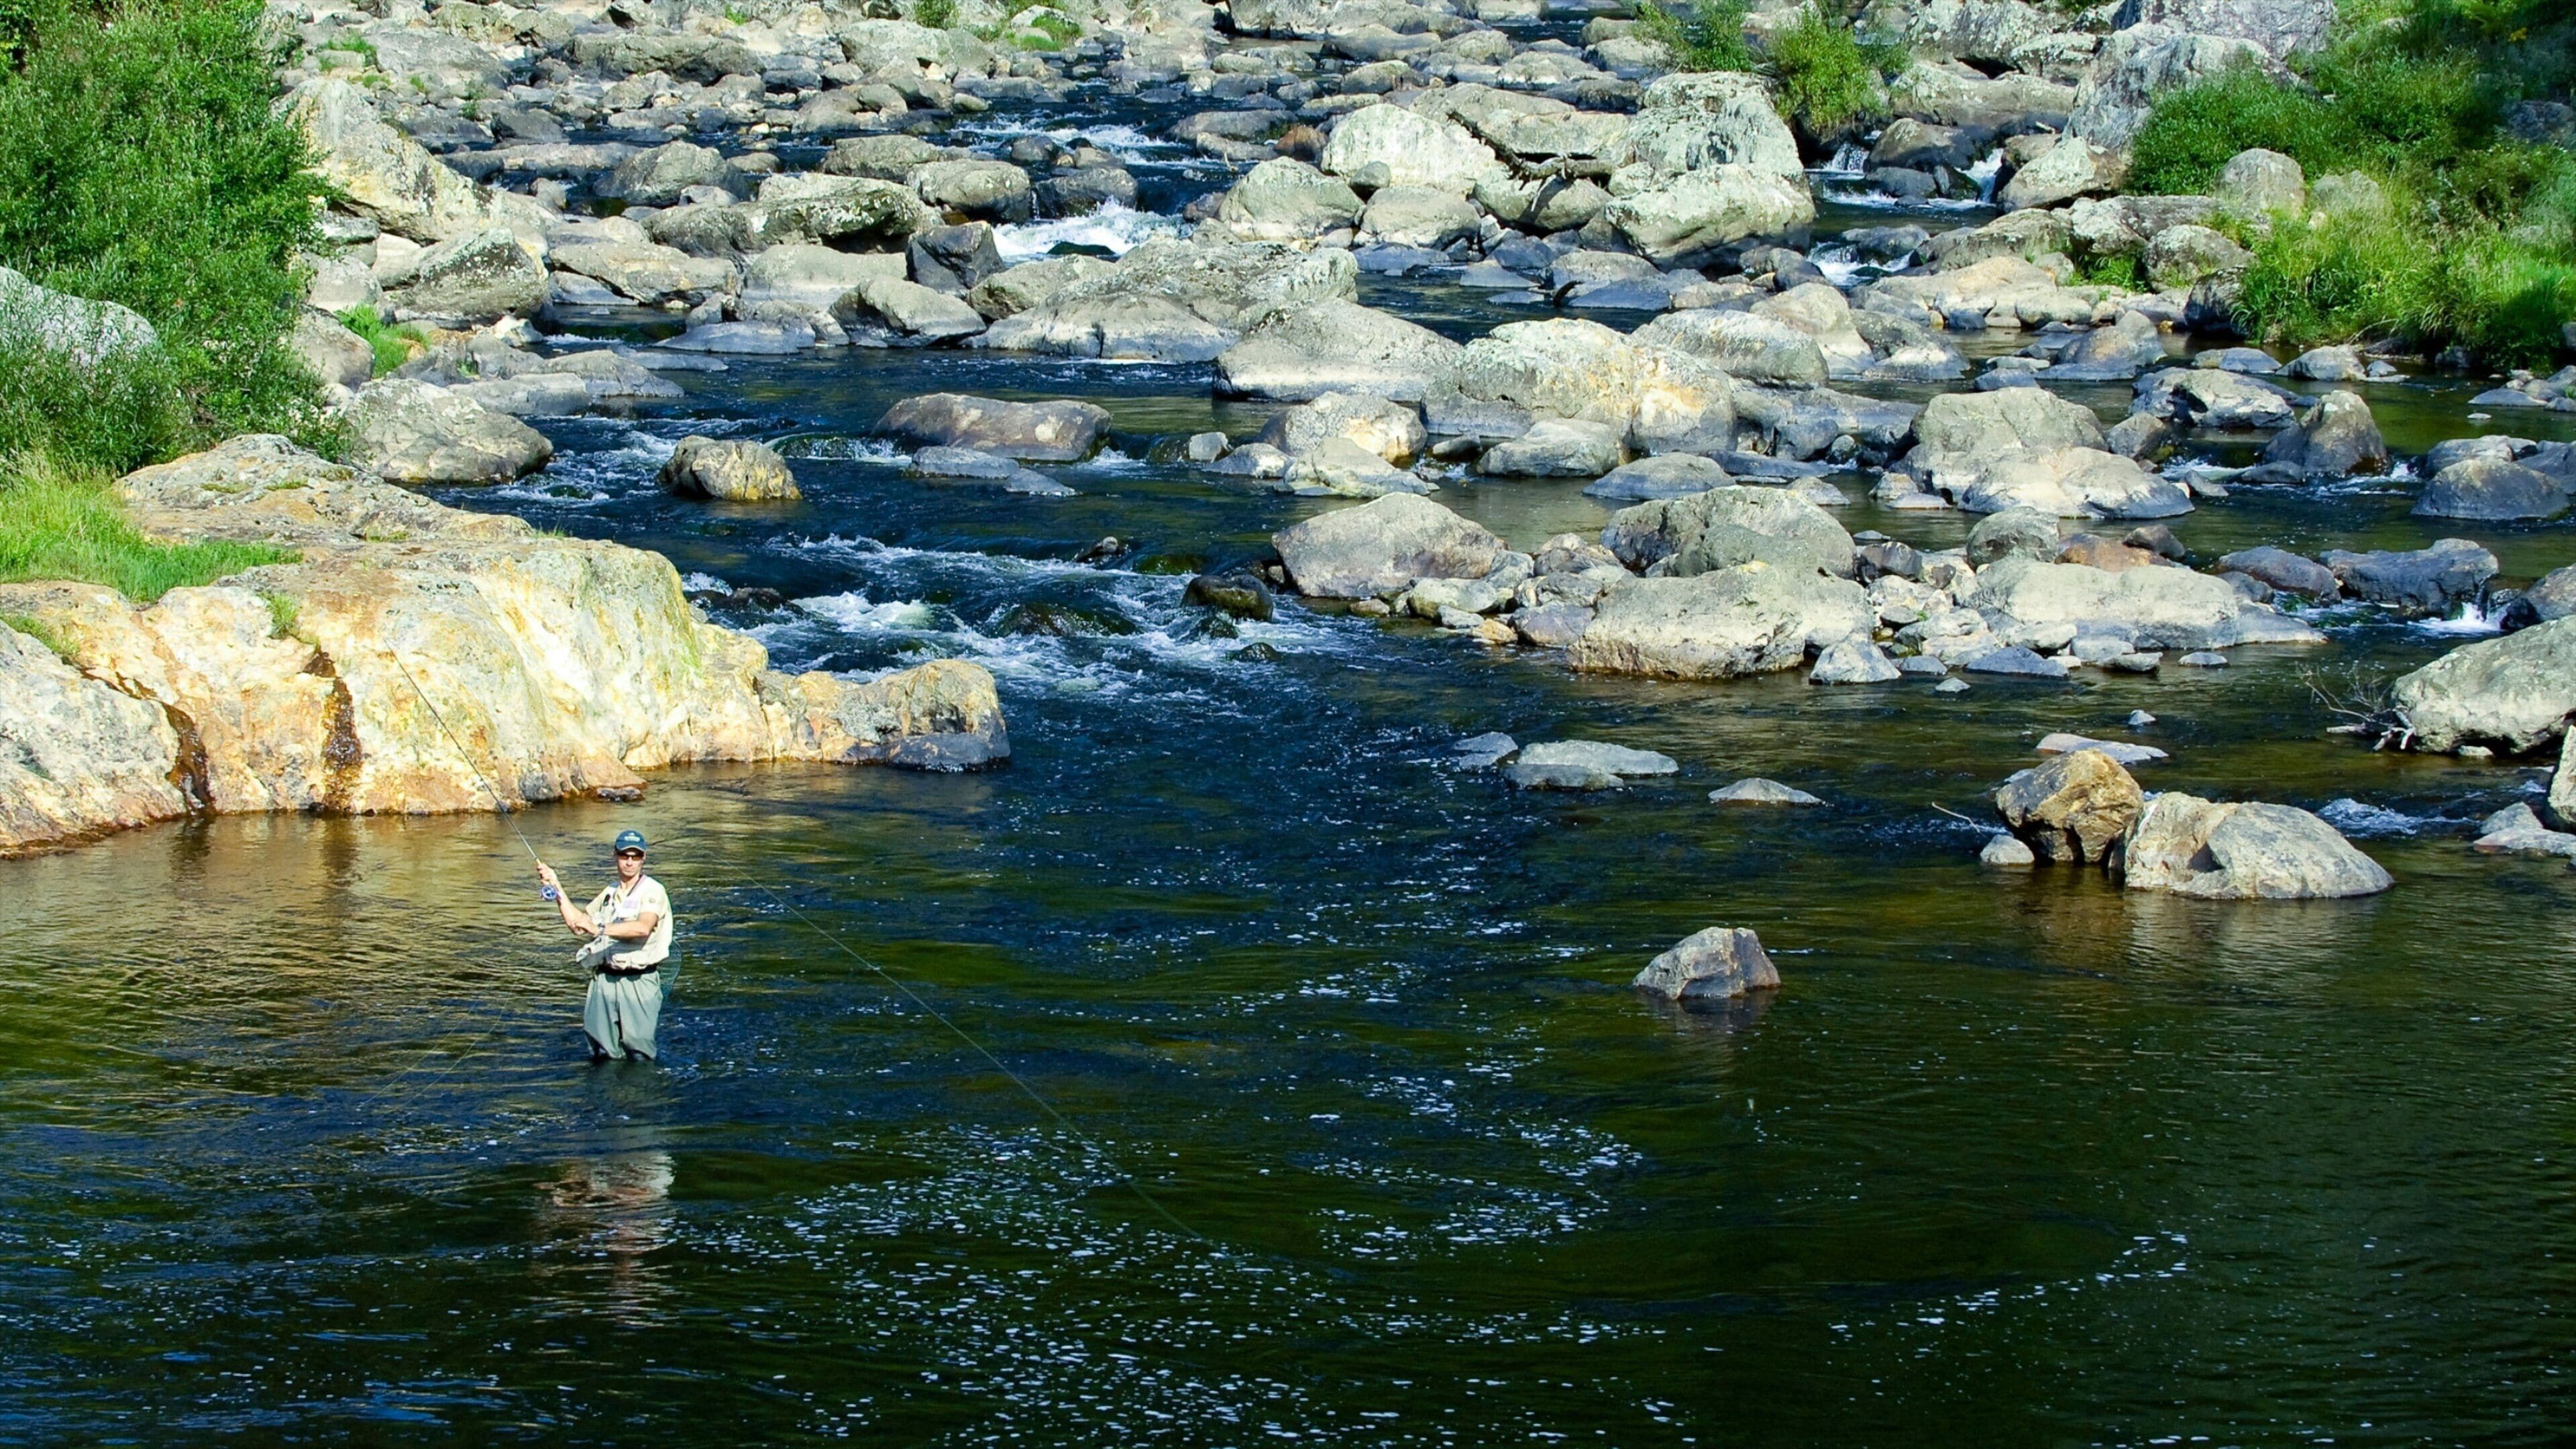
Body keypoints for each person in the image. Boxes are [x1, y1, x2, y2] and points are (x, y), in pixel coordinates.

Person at [537, 830, 672, 1061]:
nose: (629, 862)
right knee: (601, 1051)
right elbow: (578, 925)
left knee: (638, 1051)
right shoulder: (610, 892)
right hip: (603, 980)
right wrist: (556, 887)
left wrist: (599, 929)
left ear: (644, 858)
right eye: (624, 856)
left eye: (635, 857)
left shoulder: (653, 890)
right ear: (615, 856)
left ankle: (642, 1095)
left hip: (639, 980)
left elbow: (642, 928)